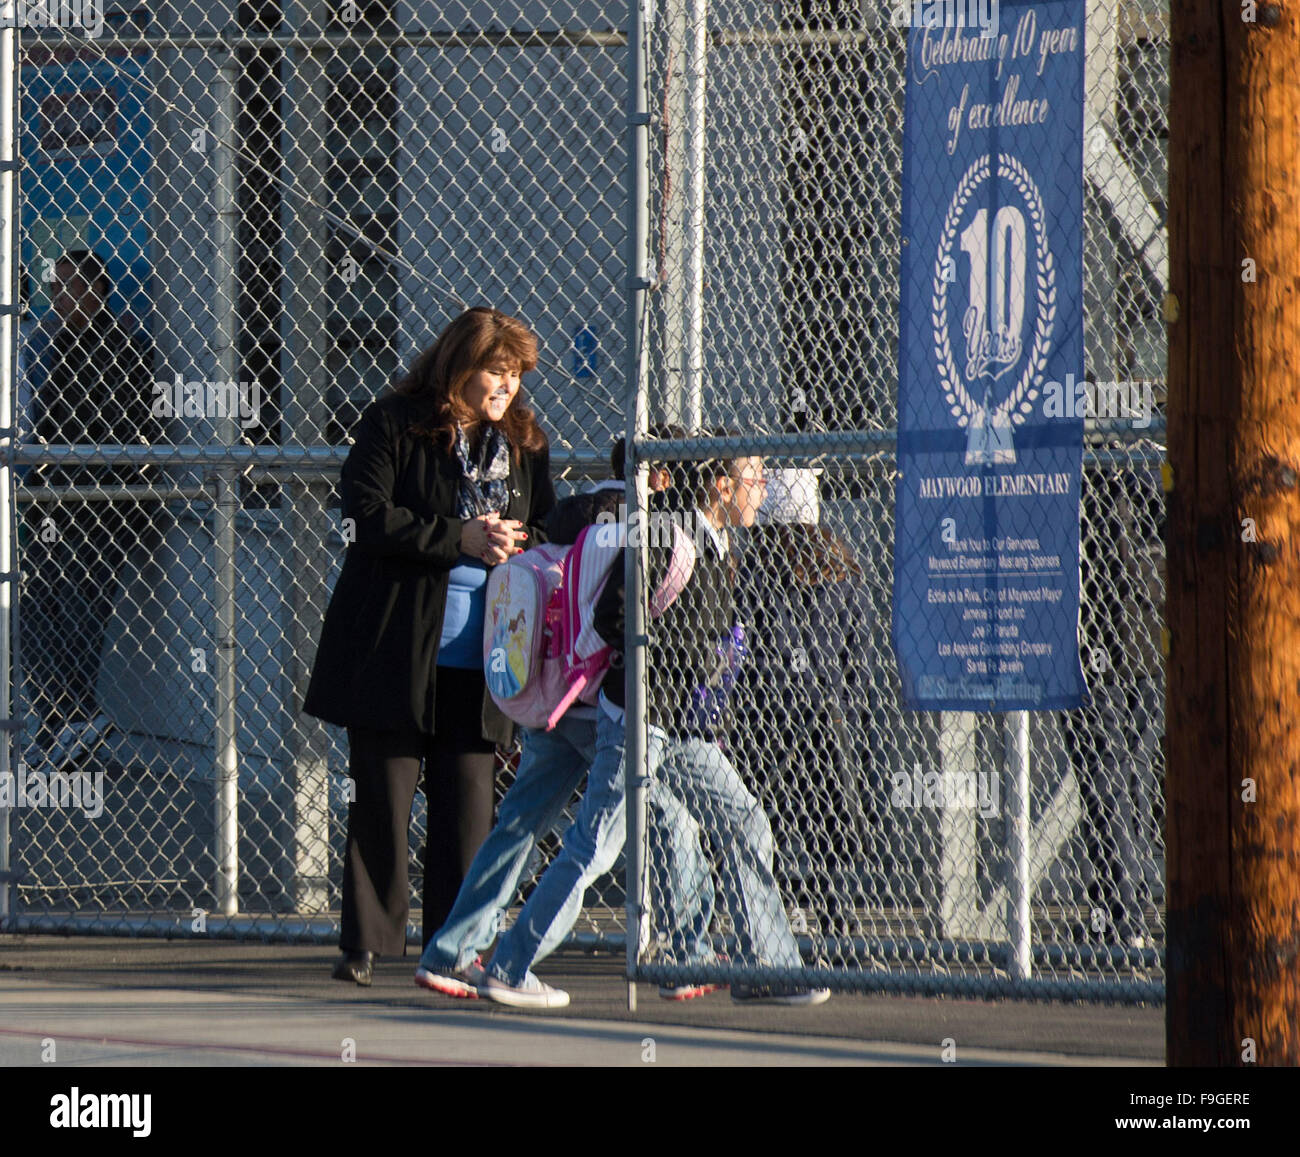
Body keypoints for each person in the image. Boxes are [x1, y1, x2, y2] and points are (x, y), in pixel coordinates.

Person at [470, 446, 829, 1008]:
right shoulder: (666, 537)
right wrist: (675, 661)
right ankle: (511, 966)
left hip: (681, 724)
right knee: (597, 845)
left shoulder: (716, 541)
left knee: (744, 821)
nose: (763, 488)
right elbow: (613, 616)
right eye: (752, 477)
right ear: (719, 485)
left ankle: (769, 967)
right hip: (639, 718)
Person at [414, 434, 718, 1002]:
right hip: (599, 701)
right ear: (659, 480)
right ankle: (677, 956)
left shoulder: (573, 510)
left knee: (521, 823)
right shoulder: (638, 524)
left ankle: (449, 952)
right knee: (638, 828)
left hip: (547, 691)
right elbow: (619, 619)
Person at [302, 306, 555, 986]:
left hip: (487, 652)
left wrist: (524, 539)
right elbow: (366, 512)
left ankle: (452, 946)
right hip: (397, 642)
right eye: (494, 373)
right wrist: (460, 538)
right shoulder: (394, 421)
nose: (506, 389)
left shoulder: (526, 441)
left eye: (514, 376)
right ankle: (365, 944)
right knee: (383, 796)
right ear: (457, 365)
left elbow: (546, 522)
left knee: (469, 803)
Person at [20, 249, 164, 769]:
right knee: (35, 605)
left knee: (80, 606)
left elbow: (123, 432)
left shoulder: (122, 346)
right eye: (53, 289)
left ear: (97, 290)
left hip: (102, 505)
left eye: (69, 287)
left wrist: (75, 482)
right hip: (54, 502)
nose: (58, 298)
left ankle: (75, 716)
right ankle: (63, 719)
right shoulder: (55, 345)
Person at [731, 468, 875, 943]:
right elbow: (858, 655)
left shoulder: (756, 568)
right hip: (826, 714)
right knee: (827, 820)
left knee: (769, 817)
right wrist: (845, 712)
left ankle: (781, 915)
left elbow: (742, 644)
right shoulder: (843, 569)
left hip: (766, 712)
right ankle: (834, 916)